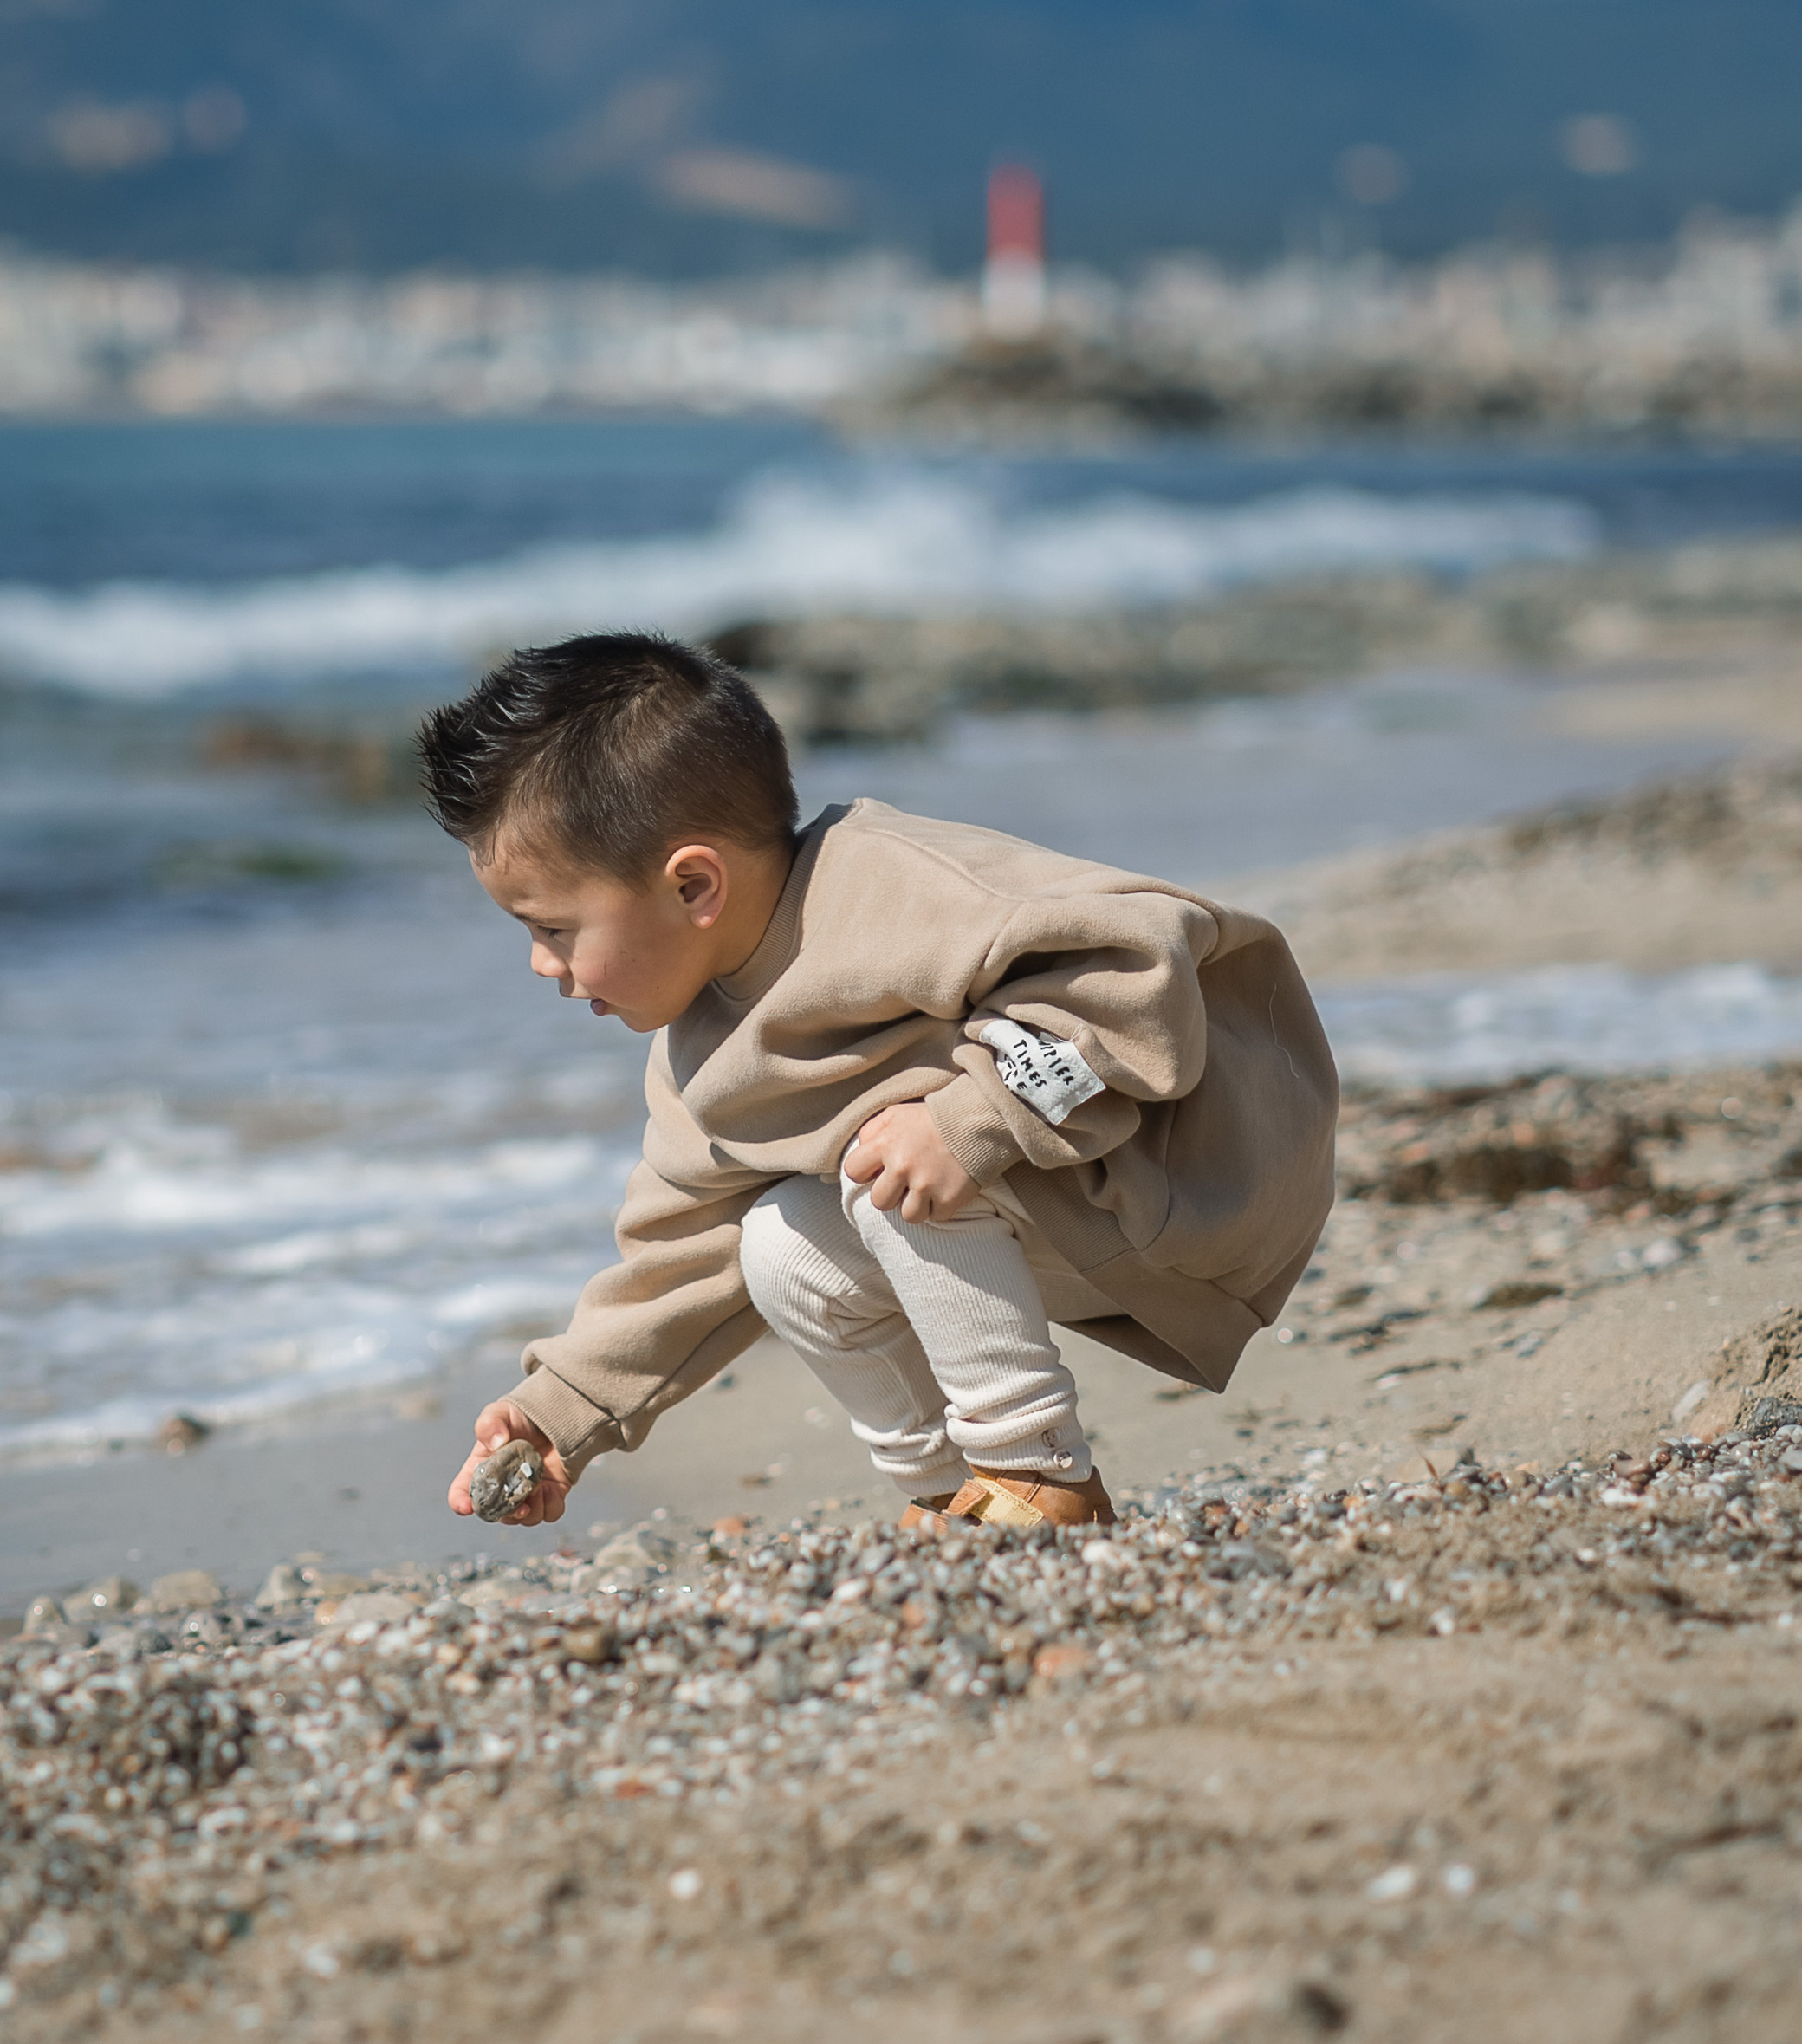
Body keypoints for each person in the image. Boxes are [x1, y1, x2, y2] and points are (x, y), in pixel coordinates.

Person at [419, 631, 1336, 1535]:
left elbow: (1140, 960)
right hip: (1075, 1196)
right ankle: (958, 1501)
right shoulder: (701, 1053)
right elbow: (677, 1253)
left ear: (693, 885)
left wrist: (976, 1119)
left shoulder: (894, 889)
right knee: (778, 1244)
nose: (542, 966)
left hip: (1205, 1161)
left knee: (889, 1153)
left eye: (553, 928)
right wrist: (559, 1415)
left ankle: (1037, 1472)